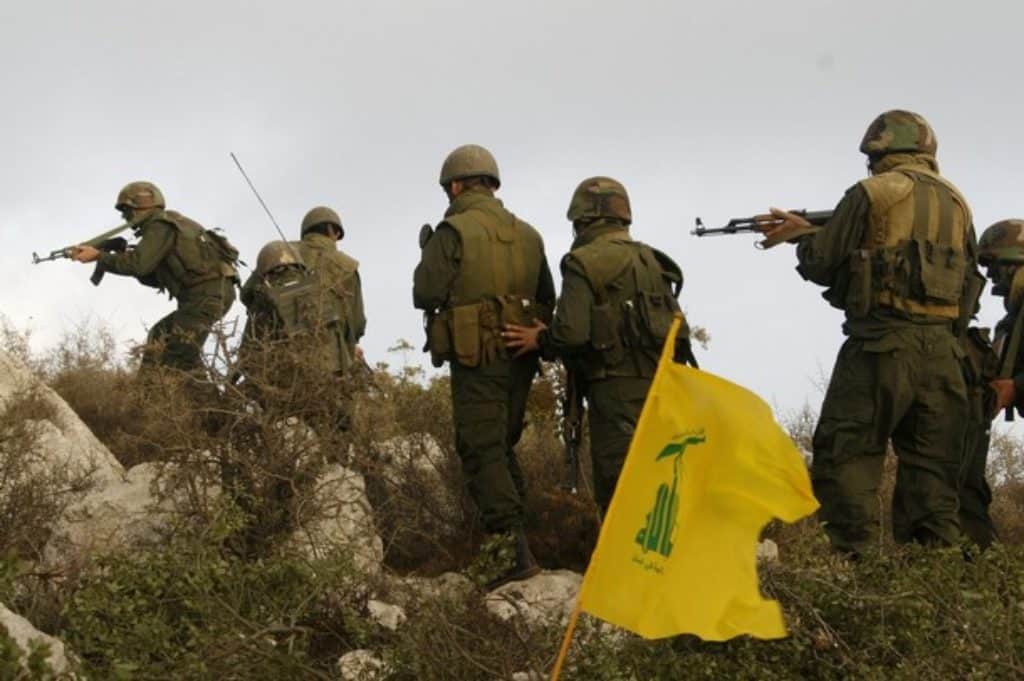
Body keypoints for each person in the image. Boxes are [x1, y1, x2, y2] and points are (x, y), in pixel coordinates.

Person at [763, 110, 978, 555]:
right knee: (934, 485)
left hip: (881, 345)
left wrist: (799, 238)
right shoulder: (958, 203)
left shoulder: (872, 192)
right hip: (943, 356)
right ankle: (939, 595)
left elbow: (821, 262)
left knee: (848, 460)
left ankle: (851, 581)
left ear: (878, 152)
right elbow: (970, 285)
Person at [503, 176, 695, 515]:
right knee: (660, 481)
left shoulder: (583, 262)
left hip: (614, 391)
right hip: (663, 388)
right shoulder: (654, 261)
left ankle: (625, 565)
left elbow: (571, 334)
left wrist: (540, 339)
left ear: (582, 220)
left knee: (619, 487)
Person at [413, 144, 555, 589]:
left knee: (480, 448)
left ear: (455, 185)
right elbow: (547, 297)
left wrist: (429, 250)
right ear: (492, 184)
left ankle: (512, 553)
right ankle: (527, 540)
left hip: (478, 358)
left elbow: (425, 292)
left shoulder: (452, 230)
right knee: (501, 444)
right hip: (521, 355)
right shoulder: (530, 234)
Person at [71, 181, 238, 373]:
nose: (125, 217)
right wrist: (120, 253)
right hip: (207, 295)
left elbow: (138, 265)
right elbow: (151, 276)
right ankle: (152, 397)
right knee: (160, 339)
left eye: (127, 210)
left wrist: (99, 256)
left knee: (178, 362)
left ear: (139, 206)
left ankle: (160, 398)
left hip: (205, 296)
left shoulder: (160, 226)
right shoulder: (168, 225)